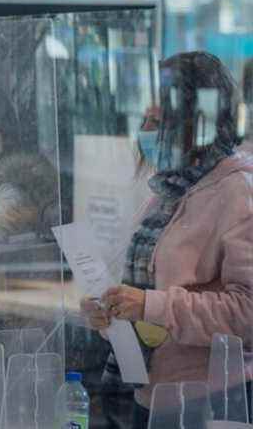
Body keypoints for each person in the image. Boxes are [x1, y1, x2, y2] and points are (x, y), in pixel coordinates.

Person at [80, 51, 253, 428]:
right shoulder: (167, 191)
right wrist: (111, 311)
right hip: (153, 394)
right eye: (145, 117)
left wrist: (150, 305)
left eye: (157, 120)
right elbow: (147, 289)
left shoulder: (238, 191)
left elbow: (247, 313)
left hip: (213, 401)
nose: (144, 128)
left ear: (195, 122)